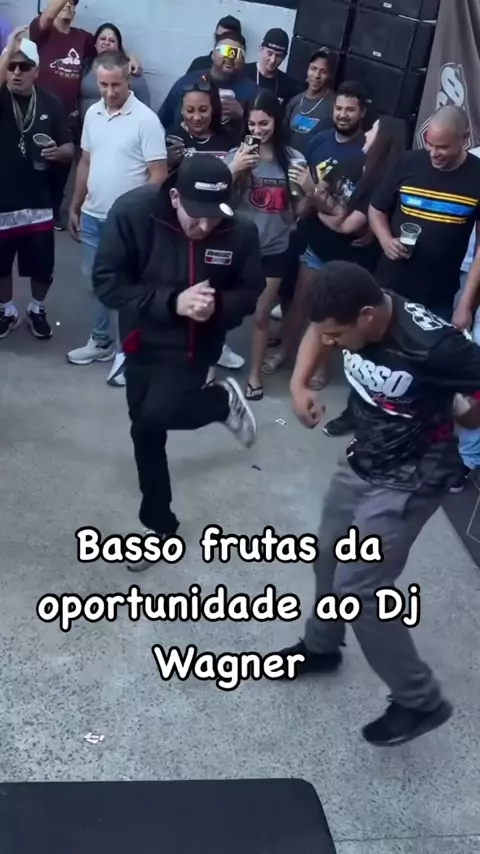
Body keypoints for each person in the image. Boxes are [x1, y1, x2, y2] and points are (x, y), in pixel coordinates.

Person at [280, 260, 480, 746]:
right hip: (364, 455)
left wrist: (468, 413)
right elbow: (317, 329)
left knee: (360, 589)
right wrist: (300, 383)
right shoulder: (348, 307)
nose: (331, 344)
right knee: (327, 553)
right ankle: (322, 647)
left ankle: (420, 701)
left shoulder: (435, 346)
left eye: (338, 336)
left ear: (368, 316)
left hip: (414, 475)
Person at [91, 155, 264, 563]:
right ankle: (160, 523)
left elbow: (250, 290)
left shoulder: (240, 231)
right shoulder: (133, 213)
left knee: (157, 416)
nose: (204, 227)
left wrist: (217, 306)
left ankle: (219, 402)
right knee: (144, 429)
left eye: (214, 218)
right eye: (196, 216)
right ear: (174, 197)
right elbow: (107, 283)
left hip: (194, 343)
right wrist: (173, 302)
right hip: (142, 337)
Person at [278, 116, 406, 438]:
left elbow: (347, 224)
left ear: (384, 141)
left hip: (352, 263)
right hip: (318, 249)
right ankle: (286, 354)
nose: (366, 135)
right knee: (304, 306)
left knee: (337, 321)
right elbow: (329, 208)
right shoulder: (350, 164)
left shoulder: (384, 180)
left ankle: (321, 369)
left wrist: (323, 204)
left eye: (372, 131)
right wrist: (327, 207)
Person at [66, 50, 168, 386]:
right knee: (96, 284)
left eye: (116, 85)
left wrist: (138, 216)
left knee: (127, 289)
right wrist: (76, 204)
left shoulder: (146, 120)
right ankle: (101, 342)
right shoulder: (92, 113)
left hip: (128, 225)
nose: (109, 92)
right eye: (103, 85)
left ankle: (129, 353)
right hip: (92, 216)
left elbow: (158, 176)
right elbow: (85, 161)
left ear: (128, 80)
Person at [264, 81, 368, 391]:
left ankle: (320, 365)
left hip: (346, 246)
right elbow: (303, 185)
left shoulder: (367, 151)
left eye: (350, 109)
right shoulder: (320, 139)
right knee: (299, 302)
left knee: (333, 311)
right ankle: (286, 351)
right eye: (339, 108)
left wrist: (318, 199)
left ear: (362, 112)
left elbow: (348, 212)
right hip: (311, 235)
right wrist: (298, 215)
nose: (343, 114)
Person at [29, 0, 141, 228]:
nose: (68, 6)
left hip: (67, 117)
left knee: (62, 166)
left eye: (73, 4)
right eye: (64, 3)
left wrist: (131, 57)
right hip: (39, 110)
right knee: (35, 164)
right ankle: (30, 213)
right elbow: (47, 17)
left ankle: (53, 213)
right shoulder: (43, 32)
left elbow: (108, 47)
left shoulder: (82, 38)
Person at [225, 89, 303, 400]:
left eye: (264, 123)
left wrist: (307, 189)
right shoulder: (238, 155)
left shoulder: (293, 160)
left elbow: (296, 215)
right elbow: (218, 201)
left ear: (277, 122)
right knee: (222, 312)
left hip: (273, 249)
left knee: (260, 316)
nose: (257, 130)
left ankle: (254, 375)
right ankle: (209, 370)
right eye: (252, 124)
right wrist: (234, 169)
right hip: (237, 247)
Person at [369, 105, 480, 325]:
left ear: (465, 139)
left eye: (443, 147)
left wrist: (465, 304)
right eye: (429, 144)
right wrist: (385, 240)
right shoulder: (408, 162)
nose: (433, 153)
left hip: (438, 297)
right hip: (389, 286)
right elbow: (376, 208)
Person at [166, 78, 244, 376]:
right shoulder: (171, 138)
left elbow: (237, 187)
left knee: (215, 291)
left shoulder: (228, 140)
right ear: (181, 110)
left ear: (214, 109)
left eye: (203, 110)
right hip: (179, 228)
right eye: (190, 110)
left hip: (218, 228)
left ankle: (216, 346)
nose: (196, 117)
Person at [0, 30, 74, 340]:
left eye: (24, 66)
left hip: (40, 201)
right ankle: (6, 310)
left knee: (42, 266)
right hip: (3, 200)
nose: (17, 72)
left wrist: (59, 152)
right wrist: (7, 51)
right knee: (1, 264)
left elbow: (70, 147)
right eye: (12, 66)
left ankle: (37, 308)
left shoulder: (50, 102)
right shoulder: (2, 97)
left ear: (37, 70)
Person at [159, 32, 256, 135]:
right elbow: (162, 122)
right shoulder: (187, 82)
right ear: (213, 54)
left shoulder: (252, 91)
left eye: (237, 53)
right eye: (225, 51)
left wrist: (243, 115)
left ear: (243, 60)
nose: (230, 57)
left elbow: (262, 134)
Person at [79, 22, 150, 120]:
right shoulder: (86, 65)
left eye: (112, 40)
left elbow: (144, 102)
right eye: (102, 39)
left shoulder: (129, 69)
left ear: (118, 46)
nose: (106, 43)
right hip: (85, 125)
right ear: (95, 44)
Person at [284, 47, 336, 156]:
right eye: (313, 68)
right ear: (307, 70)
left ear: (330, 75)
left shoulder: (335, 105)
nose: (317, 75)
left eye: (323, 72)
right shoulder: (295, 101)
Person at [244, 28, 301, 106]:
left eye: (278, 56)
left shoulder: (288, 85)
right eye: (269, 54)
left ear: (284, 57)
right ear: (260, 48)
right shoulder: (243, 72)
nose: (272, 60)